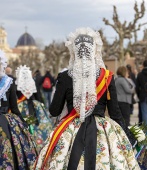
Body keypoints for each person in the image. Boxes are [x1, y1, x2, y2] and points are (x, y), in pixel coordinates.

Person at [34, 27, 140, 170]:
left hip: (70, 129)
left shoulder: (65, 77)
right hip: (102, 130)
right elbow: (115, 112)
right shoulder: (107, 77)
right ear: (95, 50)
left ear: (74, 51)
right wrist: (128, 135)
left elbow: (54, 110)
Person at [0, 50, 37, 169]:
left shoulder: (9, 83)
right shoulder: (9, 82)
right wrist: (23, 123)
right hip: (6, 122)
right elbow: (14, 108)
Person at [15, 65, 53, 152]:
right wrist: (42, 106)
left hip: (20, 107)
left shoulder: (17, 84)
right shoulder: (32, 83)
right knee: (38, 126)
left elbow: (15, 98)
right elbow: (37, 95)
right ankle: (37, 142)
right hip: (34, 105)